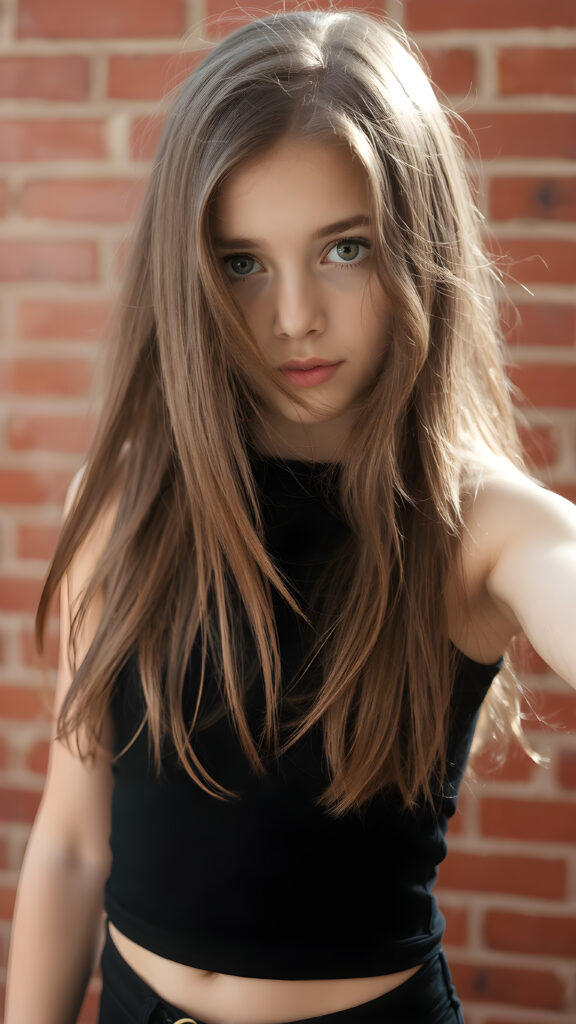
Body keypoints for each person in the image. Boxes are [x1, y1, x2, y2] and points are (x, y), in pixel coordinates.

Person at [4, 6, 576, 1024]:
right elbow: (74, 839)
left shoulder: (476, 522)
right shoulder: (128, 495)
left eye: (345, 250)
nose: (295, 315)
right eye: (242, 262)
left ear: (418, 247)